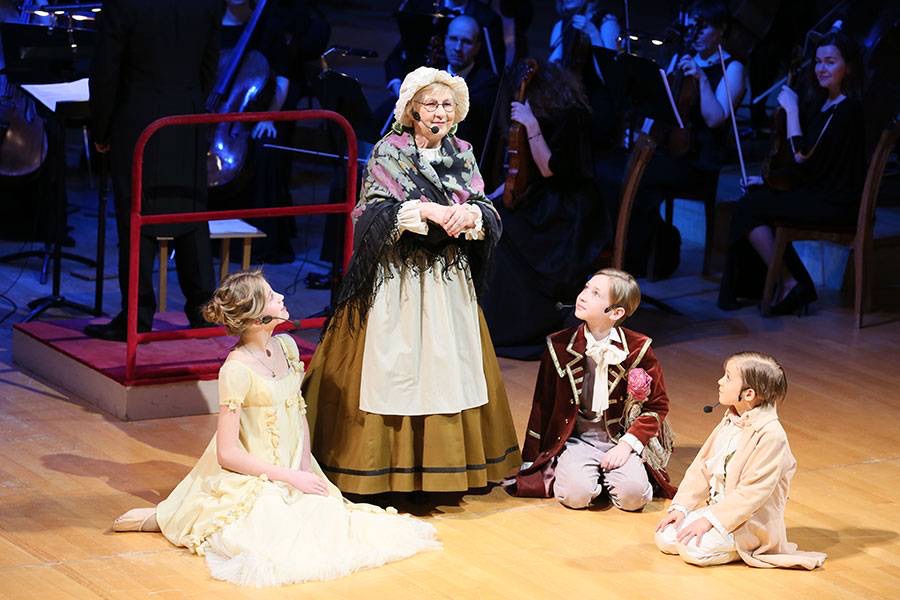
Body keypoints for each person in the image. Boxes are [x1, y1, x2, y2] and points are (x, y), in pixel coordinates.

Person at [110, 271, 439, 587]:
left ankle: (176, 513)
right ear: (256, 318)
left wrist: (303, 467)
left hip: (294, 465)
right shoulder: (236, 370)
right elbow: (227, 453)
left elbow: (298, 411)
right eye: (270, 296)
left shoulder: (287, 347)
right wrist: (287, 477)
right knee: (272, 533)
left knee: (327, 517)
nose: (281, 296)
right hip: (257, 474)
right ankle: (169, 516)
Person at [301, 67, 521, 494]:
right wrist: (423, 210)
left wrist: (470, 214)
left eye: (447, 105)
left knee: (449, 367)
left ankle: (446, 466)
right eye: (431, 104)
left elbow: (484, 204)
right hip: (397, 277)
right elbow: (370, 213)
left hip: (446, 280)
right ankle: (383, 467)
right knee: (392, 368)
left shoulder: (462, 153)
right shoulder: (390, 153)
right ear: (412, 110)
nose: (440, 113)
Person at [86, 0, 219, 341]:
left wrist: (100, 129)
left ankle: (137, 316)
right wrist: (188, 101)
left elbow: (105, 70)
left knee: (136, 213)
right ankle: (205, 311)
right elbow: (209, 66)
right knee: (192, 210)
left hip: (138, 116)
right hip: (187, 114)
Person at [718, 31, 866, 314]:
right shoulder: (825, 104)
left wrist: (793, 111)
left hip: (837, 204)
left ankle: (790, 282)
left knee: (750, 207)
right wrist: (767, 181)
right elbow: (814, 165)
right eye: (818, 61)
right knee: (753, 198)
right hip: (819, 195)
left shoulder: (848, 109)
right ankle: (786, 283)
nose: (821, 68)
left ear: (849, 67)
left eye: (831, 62)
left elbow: (803, 157)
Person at [601, 0, 745, 279]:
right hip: (670, 151)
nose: (697, 34)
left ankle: (641, 256)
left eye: (705, 27)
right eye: (694, 27)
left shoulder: (733, 67)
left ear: (721, 30)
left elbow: (716, 118)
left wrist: (702, 79)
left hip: (699, 162)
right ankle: (628, 249)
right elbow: (661, 106)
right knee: (614, 167)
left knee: (641, 177)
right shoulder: (683, 58)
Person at [511, 269, 676, 510]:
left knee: (634, 498)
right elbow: (542, 406)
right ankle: (586, 475)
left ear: (616, 313)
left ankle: (612, 478)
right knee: (576, 497)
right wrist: (530, 459)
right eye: (587, 287)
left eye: (596, 293)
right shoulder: (559, 345)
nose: (583, 295)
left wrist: (627, 445)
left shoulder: (637, 348)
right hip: (577, 440)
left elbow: (656, 405)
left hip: (618, 439)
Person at [481, 60, 608, 360]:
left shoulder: (570, 116)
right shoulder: (541, 110)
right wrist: (487, 196)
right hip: (547, 199)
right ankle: (495, 321)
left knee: (506, 231)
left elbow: (551, 170)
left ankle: (524, 326)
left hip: (571, 212)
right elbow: (524, 172)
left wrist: (531, 124)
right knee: (492, 216)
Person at [655, 351, 826, 569]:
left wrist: (709, 520)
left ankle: (744, 549)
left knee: (692, 550)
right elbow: (701, 468)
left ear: (748, 394)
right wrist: (681, 508)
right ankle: (714, 535)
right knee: (665, 537)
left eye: (727, 377)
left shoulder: (771, 435)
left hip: (748, 522)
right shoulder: (731, 419)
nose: (720, 381)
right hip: (718, 512)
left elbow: (753, 492)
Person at [441, 15, 499, 160]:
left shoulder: (488, 83)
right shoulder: (428, 74)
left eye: (466, 42)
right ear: (445, 40)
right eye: (453, 39)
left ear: (477, 48)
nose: (457, 48)